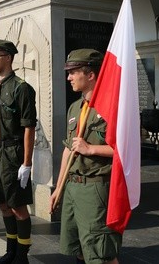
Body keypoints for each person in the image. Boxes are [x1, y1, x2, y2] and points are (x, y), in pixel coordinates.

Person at [49, 49, 120, 264]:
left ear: (90, 75)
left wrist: (91, 149)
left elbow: (127, 150)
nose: (68, 77)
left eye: (73, 72)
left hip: (95, 188)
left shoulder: (112, 106)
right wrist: (59, 188)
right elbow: (68, 149)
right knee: (78, 247)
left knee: (100, 253)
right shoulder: (75, 108)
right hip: (73, 186)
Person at [0, 39, 37, 264]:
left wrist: (26, 163)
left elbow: (29, 127)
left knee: (17, 206)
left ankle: (22, 256)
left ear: (8, 57)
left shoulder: (21, 88)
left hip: (13, 152)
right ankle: (11, 250)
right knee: (4, 205)